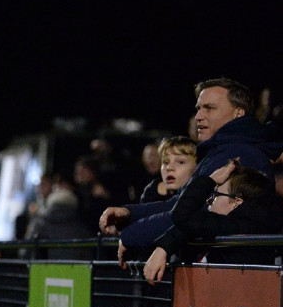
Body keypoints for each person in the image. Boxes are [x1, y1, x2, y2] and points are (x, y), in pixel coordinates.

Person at [100, 78, 283, 249]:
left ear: (238, 113)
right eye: (198, 108)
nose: (198, 116)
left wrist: (130, 236)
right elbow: (178, 203)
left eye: (209, 108)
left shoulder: (239, 153)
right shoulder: (220, 150)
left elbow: (193, 215)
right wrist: (129, 213)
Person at [142, 159, 283, 284]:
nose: (209, 200)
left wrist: (210, 180)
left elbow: (183, 216)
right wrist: (164, 247)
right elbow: (191, 224)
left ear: (236, 202)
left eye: (216, 195)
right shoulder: (248, 223)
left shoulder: (238, 227)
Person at [138, 136, 196, 203]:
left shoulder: (205, 197)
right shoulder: (151, 191)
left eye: (180, 162)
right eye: (165, 162)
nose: (169, 168)